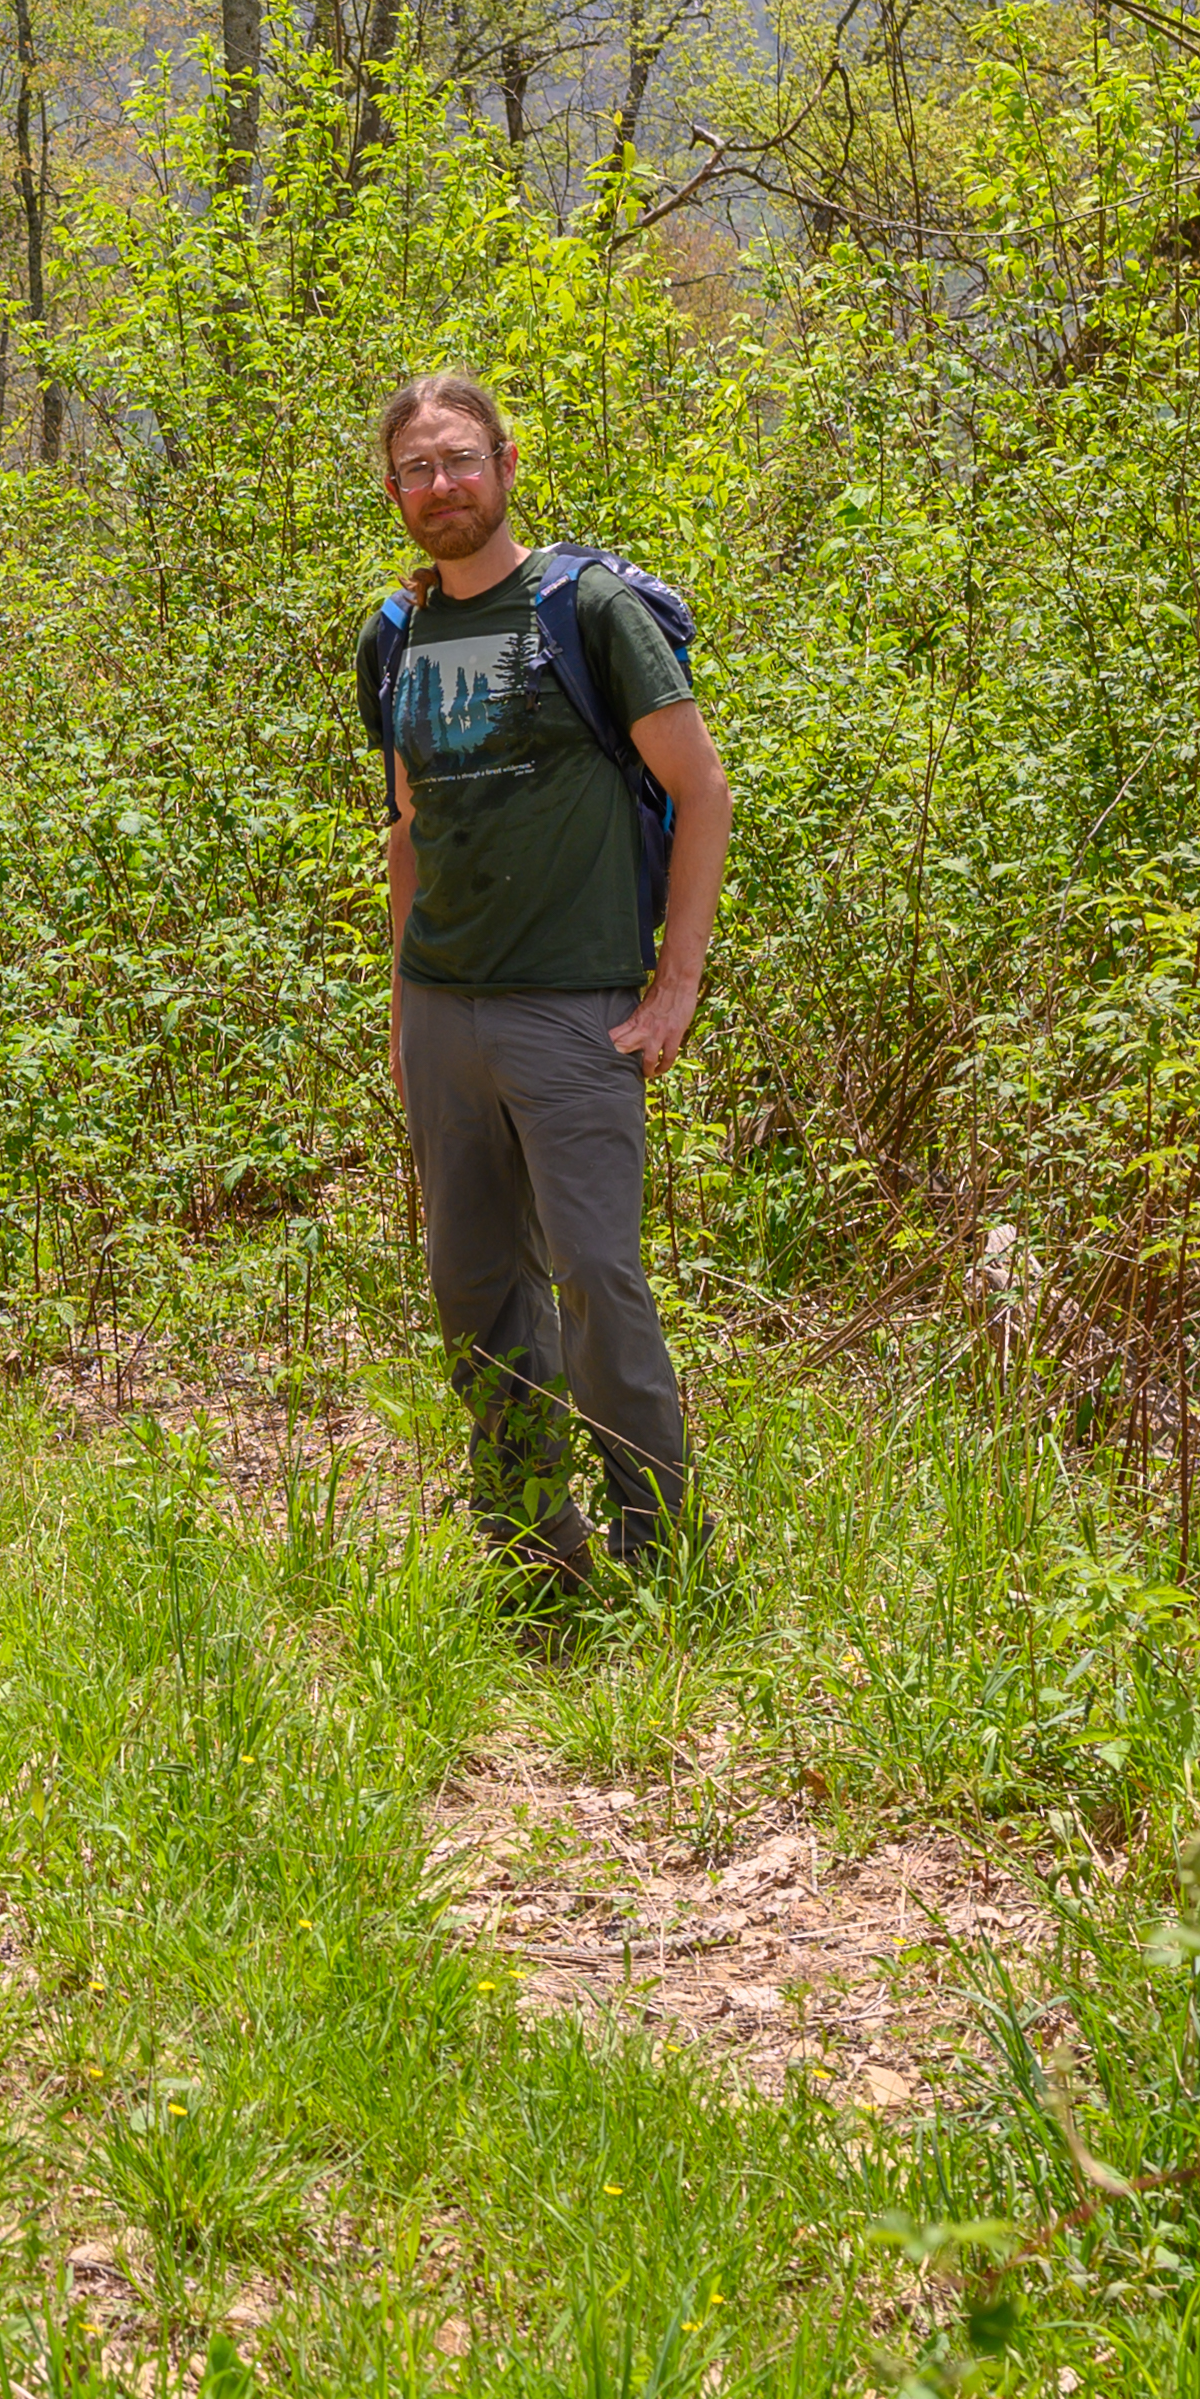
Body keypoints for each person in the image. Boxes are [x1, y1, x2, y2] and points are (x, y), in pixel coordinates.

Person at [360, 369, 731, 1608]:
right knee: (475, 1286)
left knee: (594, 1275)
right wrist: (402, 1003)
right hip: (444, 1008)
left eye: (460, 460)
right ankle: (535, 1545)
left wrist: (675, 983)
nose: (440, 486)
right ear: (395, 488)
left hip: (574, 1008)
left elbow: (702, 790)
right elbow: (409, 821)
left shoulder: (590, 608)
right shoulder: (396, 635)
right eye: (416, 468)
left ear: (506, 466)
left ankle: (658, 1550)